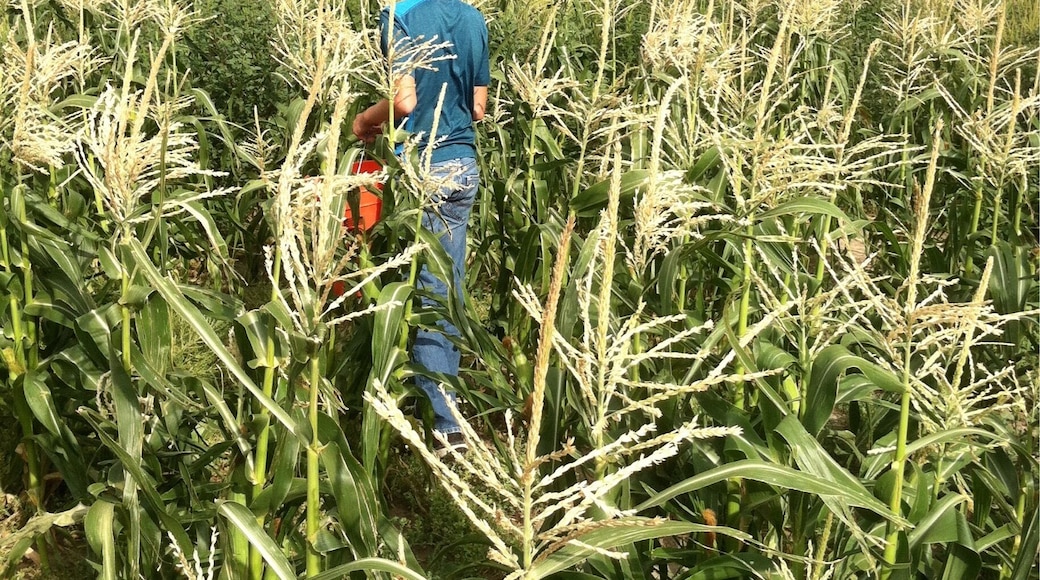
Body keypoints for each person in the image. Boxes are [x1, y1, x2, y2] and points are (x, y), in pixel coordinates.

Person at [352, 0, 489, 456]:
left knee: (425, 288)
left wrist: (364, 120)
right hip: (463, 164)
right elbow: (479, 108)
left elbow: (404, 101)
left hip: (424, 170)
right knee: (446, 283)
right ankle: (443, 400)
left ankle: (443, 423)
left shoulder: (399, 16)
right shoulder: (472, 18)